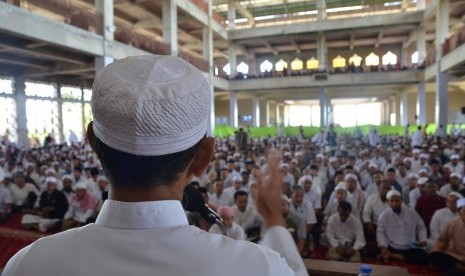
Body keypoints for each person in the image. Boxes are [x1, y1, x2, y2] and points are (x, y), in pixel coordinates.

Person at [4, 56, 306, 276]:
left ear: (92, 144)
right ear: (204, 157)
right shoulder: (257, 267)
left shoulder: (27, 264)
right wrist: (275, 222)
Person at [377, 190, 429, 265]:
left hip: (409, 247)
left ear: (401, 200)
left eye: (397, 200)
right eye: (392, 201)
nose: (394, 203)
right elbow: (380, 232)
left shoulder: (411, 212)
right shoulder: (384, 215)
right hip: (392, 246)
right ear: (388, 202)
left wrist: (422, 239)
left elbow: (421, 227)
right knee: (373, 250)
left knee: (423, 256)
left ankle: (391, 256)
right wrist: (383, 246)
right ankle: (396, 256)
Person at [429, 197, 465, 272]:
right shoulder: (452, 223)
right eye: (464, 211)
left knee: (451, 272)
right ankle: (460, 268)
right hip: (454, 256)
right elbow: (441, 241)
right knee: (434, 255)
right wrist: (436, 250)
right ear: (460, 212)